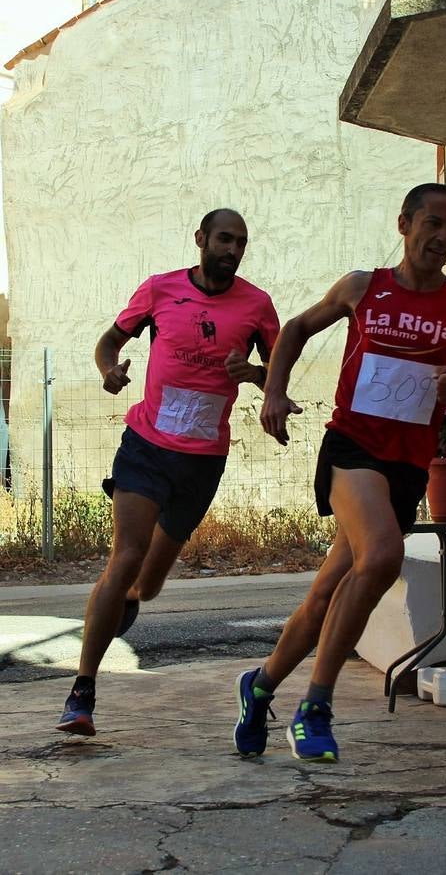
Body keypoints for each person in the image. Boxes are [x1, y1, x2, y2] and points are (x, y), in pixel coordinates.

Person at [233, 183, 446, 762]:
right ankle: (316, 707)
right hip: (352, 448)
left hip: (407, 463)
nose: (444, 238)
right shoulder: (363, 287)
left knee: (326, 595)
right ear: (404, 223)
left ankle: (261, 685)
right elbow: (295, 329)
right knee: (381, 557)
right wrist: (273, 391)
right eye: (434, 224)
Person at [57, 208, 282, 737]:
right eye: (224, 239)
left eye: (241, 242)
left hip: (203, 460)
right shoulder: (159, 291)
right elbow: (109, 341)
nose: (233, 250)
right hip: (147, 446)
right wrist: (109, 370)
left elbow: (278, 369)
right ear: (201, 239)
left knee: (150, 582)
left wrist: (256, 374)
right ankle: (82, 691)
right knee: (126, 555)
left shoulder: (257, 306)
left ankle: (129, 600)